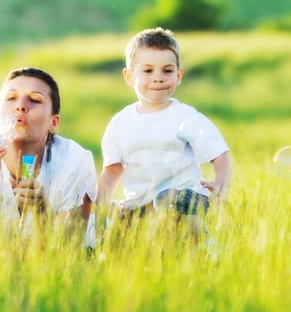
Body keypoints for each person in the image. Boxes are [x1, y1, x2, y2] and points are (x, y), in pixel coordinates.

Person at [97, 27, 231, 241]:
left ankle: (203, 247)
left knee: (169, 200)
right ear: (129, 76)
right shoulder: (120, 123)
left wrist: (221, 185)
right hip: (141, 204)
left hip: (185, 197)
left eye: (167, 71)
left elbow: (219, 153)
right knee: (116, 240)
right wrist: (100, 204)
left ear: (178, 76)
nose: (158, 78)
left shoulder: (185, 116)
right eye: (148, 71)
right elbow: (113, 170)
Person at [0, 67, 97, 248]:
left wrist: (42, 214)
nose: (20, 106)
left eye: (35, 99)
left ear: (53, 123)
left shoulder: (75, 160)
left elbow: (70, 255)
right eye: (11, 98)